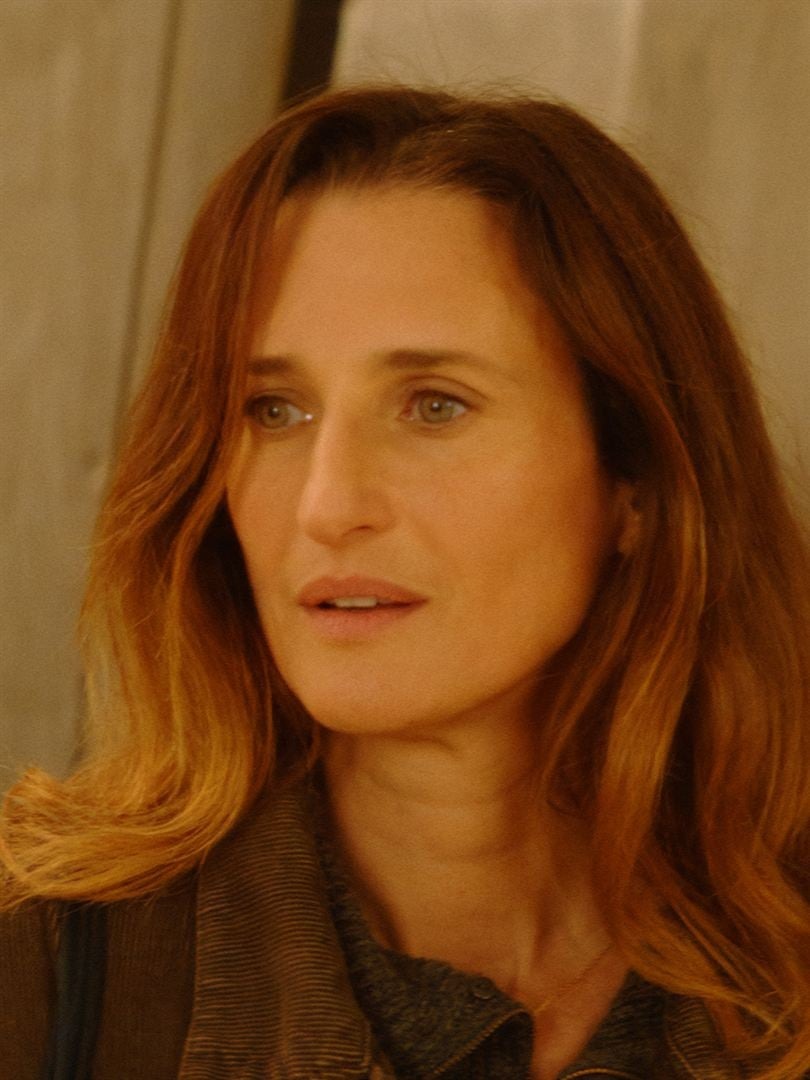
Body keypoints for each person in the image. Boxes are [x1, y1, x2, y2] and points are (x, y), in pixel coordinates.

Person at [1, 85, 808, 1080]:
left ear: (633, 476)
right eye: (274, 410)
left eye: (434, 405)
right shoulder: (42, 959)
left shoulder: (784, 951)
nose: (327, 505)